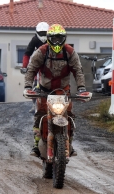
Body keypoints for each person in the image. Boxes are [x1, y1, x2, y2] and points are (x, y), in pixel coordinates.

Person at [23, 24, 87, 157]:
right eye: (54, 38)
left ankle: (69, 142)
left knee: (69, 116)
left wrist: (81, 88)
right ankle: (36, 145)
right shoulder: (41, 51)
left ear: (64, 38)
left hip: (63, 90)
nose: (57, 41)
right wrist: (28, 87)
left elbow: (78, 71)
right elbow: (31, 69)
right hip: (44, 90)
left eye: (60, 38)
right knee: (39, 115)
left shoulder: (70, 52)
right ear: (48, 38)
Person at [22, 22, 49, 113]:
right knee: (35, 84)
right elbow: (27, 53)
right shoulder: (34, 40)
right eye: (41, 33)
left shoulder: (52, 39)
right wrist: (24, 66)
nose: (43, 35)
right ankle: (34, 104)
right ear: (37, 33)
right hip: (37, 64)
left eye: (44, 33)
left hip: (51, 64)